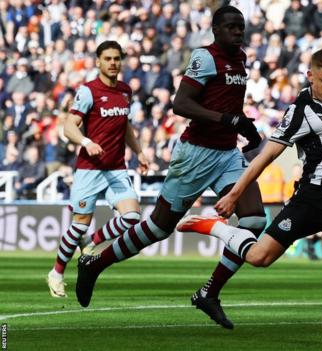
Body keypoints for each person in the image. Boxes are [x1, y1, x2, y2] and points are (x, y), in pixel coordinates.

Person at [176, 49, 322, 351]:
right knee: (260, 258)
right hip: (310, 201)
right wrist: (235, 193)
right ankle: (214, 227)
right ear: (310, 76)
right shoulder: (300, 112)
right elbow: (267, 155)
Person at [74, 7, 265, 332]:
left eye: (240, 27)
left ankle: (209, 293)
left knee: (255, 219)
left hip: (227, 155)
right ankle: (95, 264)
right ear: (216, 29)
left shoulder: (241, 59)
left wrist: (243, 125)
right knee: (159, 227)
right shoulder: (205, 57)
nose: (237, 32)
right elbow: (181, 104)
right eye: (231, 27)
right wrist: (227, 120)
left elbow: (227, 104)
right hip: (195, 155)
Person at [47, 40, 147, 298]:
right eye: (108, 59)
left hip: (116, 167)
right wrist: (86, 141)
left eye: (117, 58)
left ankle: (91, 244)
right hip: (89, 169)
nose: (113, 63)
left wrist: (140, 151)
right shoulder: (89, 91)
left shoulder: (125, 91)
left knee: (132, 217)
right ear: (99, 61)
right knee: (78, 226)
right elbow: (69, 126)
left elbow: (125, 126)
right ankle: (56, 272)